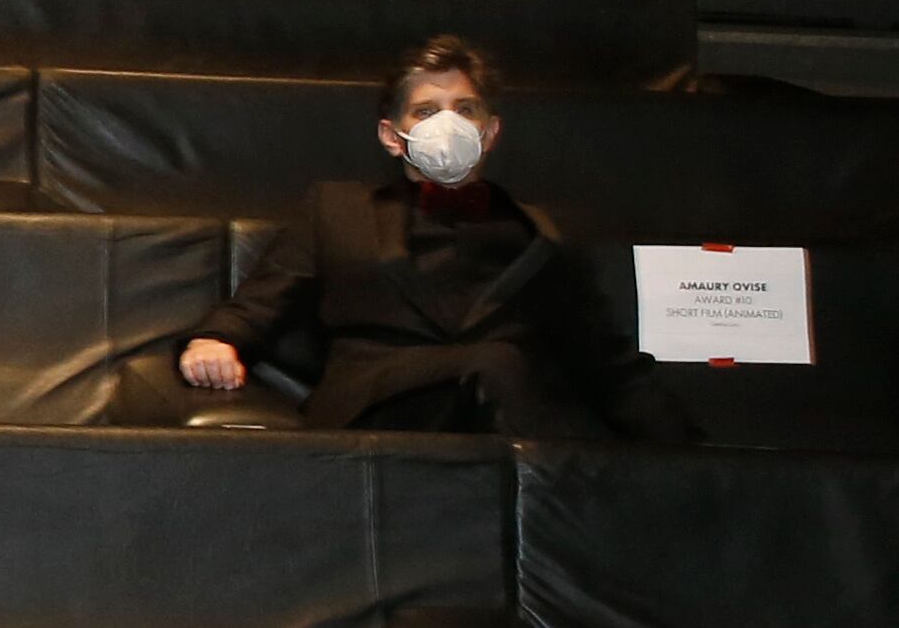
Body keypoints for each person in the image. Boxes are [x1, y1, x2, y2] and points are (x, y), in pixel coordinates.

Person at [175, 36, 687, 438]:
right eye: (426, 110)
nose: (448, 123)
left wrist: (696, 461)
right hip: (378, 407)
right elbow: (261, 302)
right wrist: (214, 339)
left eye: (465, 110)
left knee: (519, 379)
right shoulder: (338, 210)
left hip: (506, 412)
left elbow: (606, 364)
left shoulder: (543, 234)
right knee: (498, 365)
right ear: (391, 136)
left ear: (489, 133)